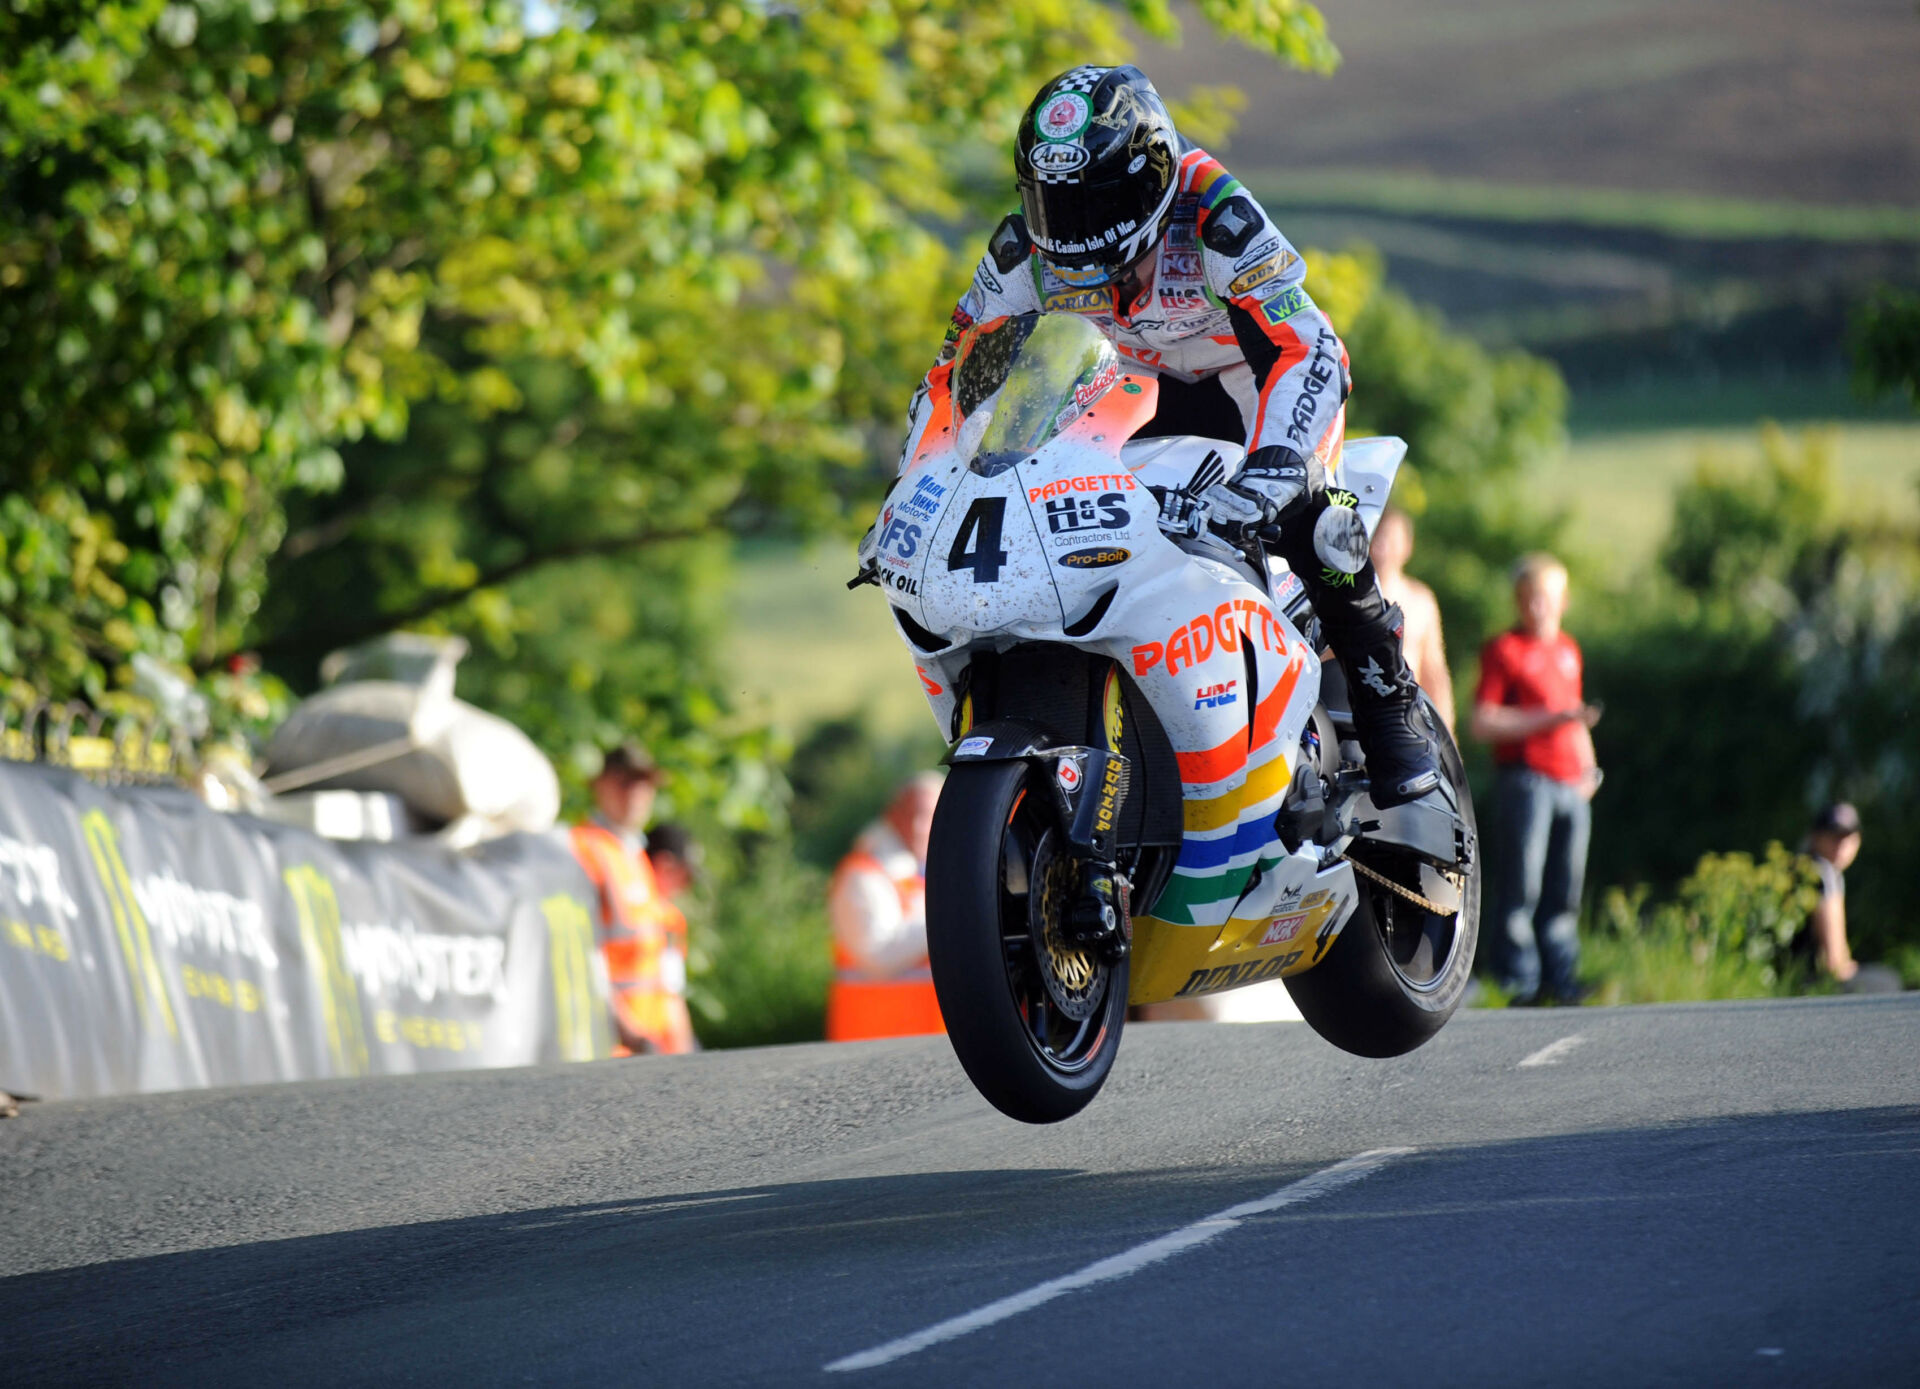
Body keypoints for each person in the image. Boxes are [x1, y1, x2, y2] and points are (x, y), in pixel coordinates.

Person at [894, 64, 1439, 808]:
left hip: (1248, 384)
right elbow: (952, 371)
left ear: (1152, 177)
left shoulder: (1215, 211)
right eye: (1054, 204)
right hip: (1126, 394)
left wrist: (1280, 463)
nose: (1074, 227)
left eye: (1099, 201)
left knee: (1315, 518)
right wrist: (922, 474)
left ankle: (1386, 694)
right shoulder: (1023, 250)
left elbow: (1309, 346)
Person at [1470, 553, 1601, 1005]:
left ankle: (1561, 977)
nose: (1535, 607)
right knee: (1521, 884)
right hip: (1526, 781)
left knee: (1565, 887)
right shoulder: (1504, 649)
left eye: (1544, 598)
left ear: (1562, 601)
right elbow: (1483, 721)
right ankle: (1517, 977)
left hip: (1570, 784)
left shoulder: (1568, 650)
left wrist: (1590, 768)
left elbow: (1574, 715)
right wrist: (1549, 720)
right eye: (1527, 598)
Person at [569, 742, 695, 1055]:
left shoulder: (634, 854)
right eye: (624, 782)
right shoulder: (584, 849)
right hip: (610, 1046)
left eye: (644, 784)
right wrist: (627, 1031)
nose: (635, 794)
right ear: (599, 786)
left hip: (646, 1047)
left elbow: (658, 969)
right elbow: (579, 953)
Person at [826, 772, 945, 1042]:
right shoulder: (862, 874)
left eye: (928, 815)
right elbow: (878, 958)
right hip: (873, 1044)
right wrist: (952, 919)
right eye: (911, 813)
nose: (918, 826)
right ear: (891, 815)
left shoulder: (923, 874)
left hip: (923, 1044)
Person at [1370, 505, 1455, 734]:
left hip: (1407, 713)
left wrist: (1446, 735)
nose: (1382, 545)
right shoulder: (1346, 597)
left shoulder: (1421, 600)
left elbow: (1434, 670)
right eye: (1377, 535)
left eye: (1391, 537)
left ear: (1407, 546)